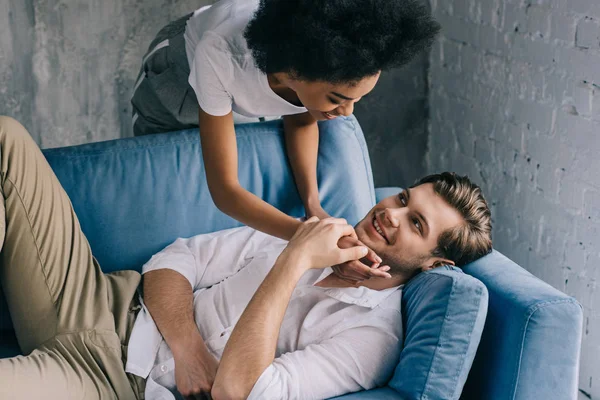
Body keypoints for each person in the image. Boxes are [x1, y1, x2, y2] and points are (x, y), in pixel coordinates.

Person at [0, 116, 492, 400]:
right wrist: (190, 347)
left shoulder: (371, 339)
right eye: (404, 199)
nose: (391, 213)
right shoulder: (322, 234)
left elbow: (241, 391)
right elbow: (177, 259)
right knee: (7, 139)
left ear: (434, 263)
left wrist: (295, 258)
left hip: (113, 381)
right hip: (100, 297)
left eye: (416, 225)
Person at [130, 0, 441, 246]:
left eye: (356, 99)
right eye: (337, 98)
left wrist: (313, 207)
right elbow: (225, 190)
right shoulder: (221, 54)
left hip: (240, 82)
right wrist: (306, 238)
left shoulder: (319, 64)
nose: (347, 113)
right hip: (179, 76)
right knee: (156, 164)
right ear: (295, 71)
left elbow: (302, 120)